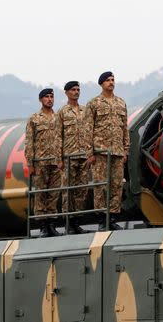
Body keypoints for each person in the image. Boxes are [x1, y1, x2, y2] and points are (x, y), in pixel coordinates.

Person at [83, 71, 129, 230]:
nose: (111, 82)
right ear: (101, 84)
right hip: (100, 152)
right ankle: (102, 220)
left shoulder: (121, 103)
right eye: (108, 80)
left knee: (116, 186)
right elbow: (87, 129)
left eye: (113, 79)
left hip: (117, 152)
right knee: (101, 186)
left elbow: (125, 129)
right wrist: (90, 153)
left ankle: (113, 218)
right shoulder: (94, 103)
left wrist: (125, 151)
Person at [24, 88, 62, 237]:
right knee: (40, 194)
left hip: (56, 162)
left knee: (53, 194)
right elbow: (29, 142)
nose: (49, 99)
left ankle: (52, 224)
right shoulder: (34, 119)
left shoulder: (58, 117)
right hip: (40, 162)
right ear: (41, 100)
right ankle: (43, 227)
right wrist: (30, 163)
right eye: (46, 97)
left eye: (52, 96)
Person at [57, 80, 87, 233]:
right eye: (73, 90)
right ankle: (68, 223)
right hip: (68, 156)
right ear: (67, 92)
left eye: (78, 89)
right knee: (67, 190)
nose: (76, 92)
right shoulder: (62, 112)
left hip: (83, 156)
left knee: (81, 190)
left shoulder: (85, 110)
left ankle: (76, 221)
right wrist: (59, 159)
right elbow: (58, 137)